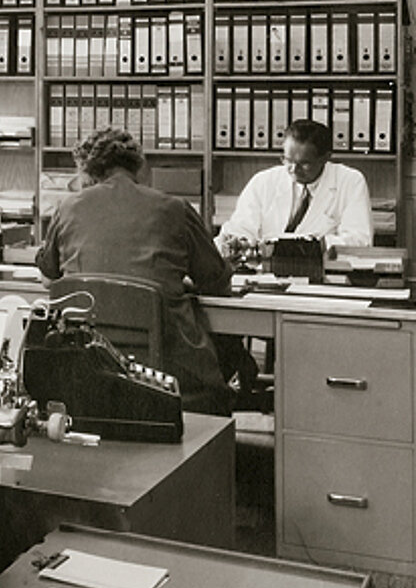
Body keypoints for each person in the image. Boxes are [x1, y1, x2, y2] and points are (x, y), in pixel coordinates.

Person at [36, 128, 234, 416]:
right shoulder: (175, 208)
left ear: (86, 173)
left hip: (87, 367)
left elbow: (48, 278)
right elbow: (218, 282)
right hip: (168, 372)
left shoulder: (67, 208)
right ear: (139, 166)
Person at [218, 119, 373, 251]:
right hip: (265, 272)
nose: (293, 170)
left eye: (304, 164)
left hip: (321, 274)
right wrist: (237, 241)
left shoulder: (350, 181)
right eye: (288, 160)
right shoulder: (264, 181)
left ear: (325, 158)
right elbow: (241, 228)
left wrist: (308, 246)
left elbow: (359, 241)